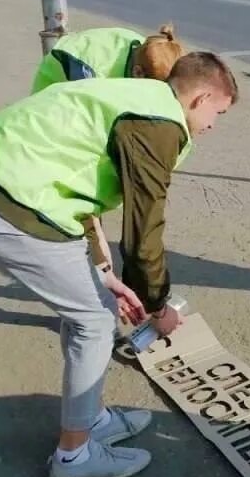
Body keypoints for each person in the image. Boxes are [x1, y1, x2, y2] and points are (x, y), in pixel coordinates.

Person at [0, 51, 238, 477]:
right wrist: (158, 309)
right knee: (95, 322)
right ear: (202, 98)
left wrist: (104, 272)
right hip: (9, 202)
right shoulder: (158, 125)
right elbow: (144, 231)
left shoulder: (133, 96)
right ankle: (73, 457)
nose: (214, 125)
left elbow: (84, 196)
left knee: (90, 305)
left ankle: (92, 419)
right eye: (219, 112)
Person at [29, 23, 190, 297]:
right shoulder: (88, 71)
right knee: (83, 205)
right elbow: (88, 132)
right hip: (61, 106)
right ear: (138, 74)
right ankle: (89, 289)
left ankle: (100, 281)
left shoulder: (155, 54)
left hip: (101, 101)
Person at [30, 23, 188, 94]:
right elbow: (87, 115)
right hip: (56, 94)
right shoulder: (88, 70)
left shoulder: (150, 48)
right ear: (138, 72)